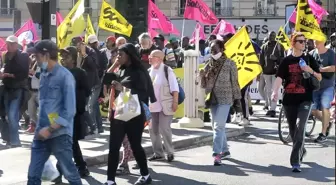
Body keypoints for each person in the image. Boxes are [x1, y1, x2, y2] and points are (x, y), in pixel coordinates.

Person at [26, 40, 82, 184]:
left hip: (60, 134)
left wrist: (50, 129)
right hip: (41, 133)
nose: (35, 59)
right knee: (33, 175)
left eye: (37, 56)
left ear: (45, 55)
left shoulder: (65, 76)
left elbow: (70, 111)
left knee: (70, 174)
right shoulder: (43, 74)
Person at [103, 43, 156, 185]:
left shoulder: (138, 72)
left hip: (134, 115)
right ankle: (110, 180)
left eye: (121, 54)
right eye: (117, 54)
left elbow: (143, 94)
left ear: (130, 56)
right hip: (119, 112)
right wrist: (114, 64)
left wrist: (123, 88)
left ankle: (145, 175)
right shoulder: (121, 70)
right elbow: (105, 80)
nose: (118, 56)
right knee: (114, 146)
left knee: (135, 145)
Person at [272, 32, 321, 173]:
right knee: (293, 130)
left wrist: (310, 70)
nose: (303, 43)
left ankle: (295, 162)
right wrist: (275, 91)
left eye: (304, 41)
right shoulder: (286, 61)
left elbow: (319, 77)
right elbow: (279, 78)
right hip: (289, 99)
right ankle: (301, 150)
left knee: (300, 129)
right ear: (293, 43)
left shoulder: (309, 58)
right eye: (300, 41)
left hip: (305, 98)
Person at [200, 40, 241, 166]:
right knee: (216, 126)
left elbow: (235, 83)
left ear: (222, 49)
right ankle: (226, 151)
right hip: (212, 99)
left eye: (215, 49)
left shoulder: (230, 64)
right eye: (211, 49)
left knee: (218, 126)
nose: (213, 52)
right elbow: (204, 85)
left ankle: (217, 154)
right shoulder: (208, 64)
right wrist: (202, 76)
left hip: (226, 98)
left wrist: (237, 102)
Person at [60, 46, 91, 178]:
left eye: (66, 57)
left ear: (72, 59)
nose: (63, 59)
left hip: (74, 113)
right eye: (62, 57)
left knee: (69, 141)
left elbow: (88, 91)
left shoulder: (79, 72)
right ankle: (76, 167)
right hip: (61, 112)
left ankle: (77, 167)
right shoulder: (60, 72)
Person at [147, 50, 179, 162]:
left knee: (164, 128)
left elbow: (175, 89)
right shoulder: (149, 71)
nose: (149, 58)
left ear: (160, 59)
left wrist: (175, 102)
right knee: (152, 130)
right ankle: (158, 153)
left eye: (152, 56)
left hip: (166, 105)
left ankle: (170, 152)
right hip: (152, 106)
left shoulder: (167, 70)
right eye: (149, 56)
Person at [0, 35, 30, 147]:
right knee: (7, 115)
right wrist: (2, 74)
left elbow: (24, 74)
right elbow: (3, 68)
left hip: (18, 89)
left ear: (16, 45)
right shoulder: (4, 55)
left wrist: (11, 75)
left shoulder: (23, 56)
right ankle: (10, 139)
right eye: (8, 43)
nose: (9, 46)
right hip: (6, 88)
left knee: (12, 115)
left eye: (12, 44)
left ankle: (15, 141)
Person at [72, 36, 100, 134]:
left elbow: (94, 66)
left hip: (89, 83)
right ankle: (92, 126)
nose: (77, 47)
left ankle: (93, 127)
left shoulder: (90, 51)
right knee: (84, 106)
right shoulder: (74, 53)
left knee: (86, 106)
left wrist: (84, 54)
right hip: (77, 83)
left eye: (79, 44)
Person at [310, 40, 335, 143]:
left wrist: (321, 70)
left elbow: (334, 67)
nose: (315, 41)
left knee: (325, 106)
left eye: (318, 40)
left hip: (327, 86)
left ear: (323, 41)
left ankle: (323, 133)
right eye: (314, 40)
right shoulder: (311, 53)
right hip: (315, 86)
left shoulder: (331, 53)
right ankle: (327, 123)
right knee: (313, 110)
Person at [259, 31, 285, 117]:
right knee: (268, 91)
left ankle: (273, 109)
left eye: (273, 35)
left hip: (276, 72)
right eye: (270, 35)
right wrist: (262, 69)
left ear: (275, 36)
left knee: (274, 91)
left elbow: (283, 59)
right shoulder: (264, 46)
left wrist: (276, 59)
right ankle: (270, 107)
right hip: (266, 72)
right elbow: (261, 59)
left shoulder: (279, 46)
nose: (271, 37)